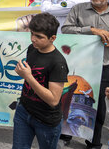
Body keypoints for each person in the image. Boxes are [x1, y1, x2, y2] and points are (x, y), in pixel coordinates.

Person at [62, 0, 109, 148]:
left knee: (97, 106)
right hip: (79, 64)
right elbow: (66, 30)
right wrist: (91, 31)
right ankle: (65, 135)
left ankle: (94, 142)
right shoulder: (78, 9)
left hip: (104, 66)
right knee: (69, 100)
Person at [12, 13, 68, 149]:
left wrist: (28, 77)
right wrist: (23, 74)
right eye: (32, 34)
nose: (33, 39)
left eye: (39, 37)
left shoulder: (58, 62)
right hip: (24, 111)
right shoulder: (32, 49)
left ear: (52, 38)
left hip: (46, 120)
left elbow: (53, 100)